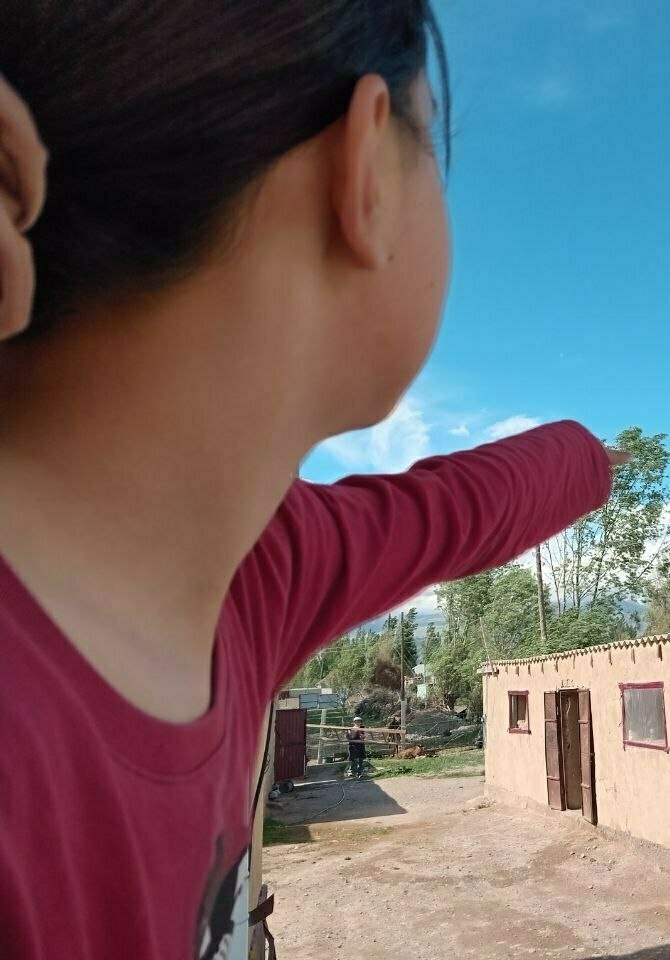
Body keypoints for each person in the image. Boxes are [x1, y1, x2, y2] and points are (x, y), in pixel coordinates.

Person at [0, 4, 624, 959]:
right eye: (438, 151)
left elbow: (451, 512)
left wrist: (588, 463)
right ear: (365, 169)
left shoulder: (245, 568)